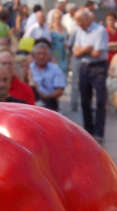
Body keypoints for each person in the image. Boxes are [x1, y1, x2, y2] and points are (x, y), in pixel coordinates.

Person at [73, 9, 110, 141]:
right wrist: (88, 48)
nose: (78, 24)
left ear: (87, 19)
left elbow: (97, 53)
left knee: (100, 100)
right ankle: (88, 130)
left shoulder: (100, 31)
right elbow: (76, 53)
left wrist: (84, 50)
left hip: (98, 67)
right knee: (84, 100)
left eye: (80, 21)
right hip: (85, 66)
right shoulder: (79, 31)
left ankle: (99, 132)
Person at [30, 40, 67, 111]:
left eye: (44, 54)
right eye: (39, 54)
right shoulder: (29, 68)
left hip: (49, 102)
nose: (41, 56)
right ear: (34, 55)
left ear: (49, 56)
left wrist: (46, 96)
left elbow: (60, 90)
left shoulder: (55, 68)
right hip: (32, 101)